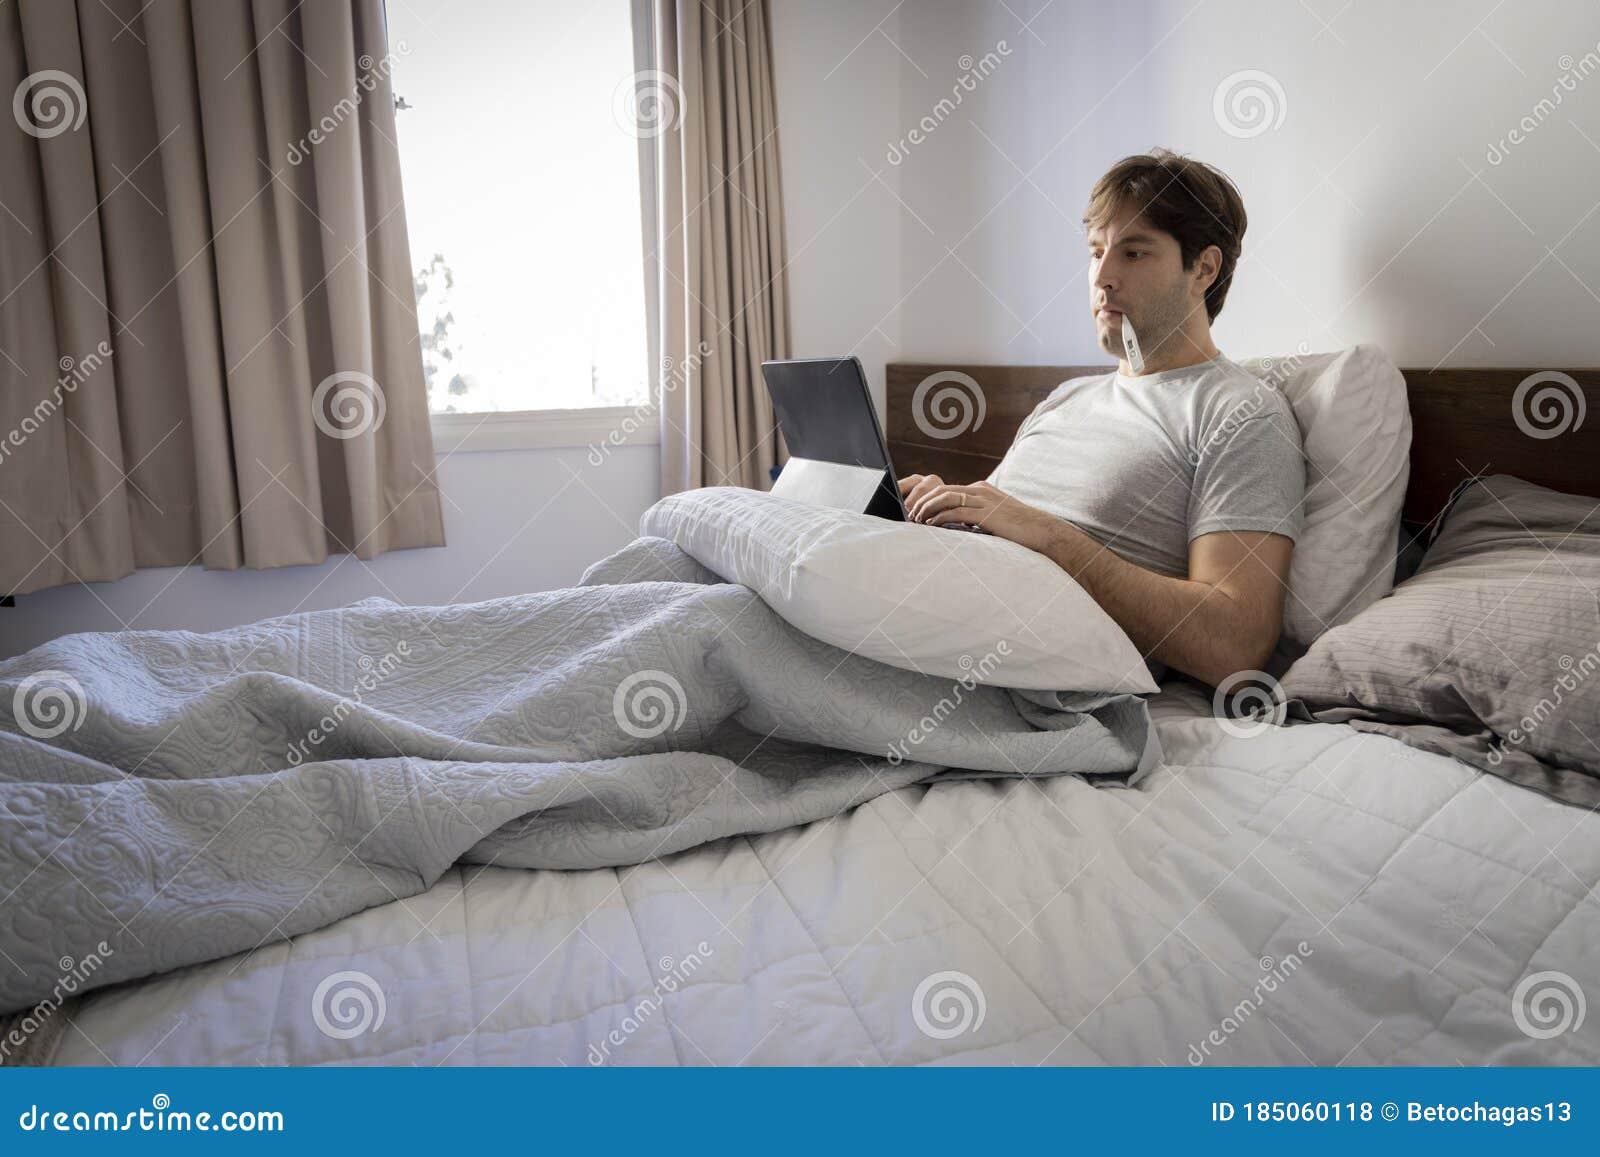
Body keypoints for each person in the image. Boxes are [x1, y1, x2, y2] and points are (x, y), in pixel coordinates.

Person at [898, 149, 1304, 687]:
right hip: (941, 602)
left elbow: (1234, 644)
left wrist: (1050, 536)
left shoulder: (1239, 413)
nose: (1103, 276)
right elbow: (993, 522)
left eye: (1133, 253)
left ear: (1203, 269)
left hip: (1008, 668)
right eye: (1096, 252)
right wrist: (939, 508)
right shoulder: (1066, 399)